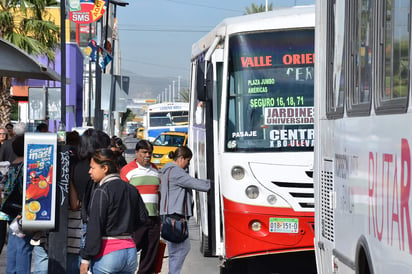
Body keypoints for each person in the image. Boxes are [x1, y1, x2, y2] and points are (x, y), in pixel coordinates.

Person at [80, 148, 147, 274]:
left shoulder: (101, 191)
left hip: (108, 252)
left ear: (105, 168)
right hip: (130, 252)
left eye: (93, 168)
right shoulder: (131, 189)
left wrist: (85, 259)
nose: (89, 172)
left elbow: (95, 226)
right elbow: (143, 218)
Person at [159, 146, 210, 274]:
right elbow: (195, 183)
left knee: (175, 250)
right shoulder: (176, 172)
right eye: (188, 160)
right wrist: (213, 184)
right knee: (181, 249)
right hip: (175, 216)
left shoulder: (169, 170)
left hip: (169, 215)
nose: (188, 164)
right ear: (181, 158)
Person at [120, 140, 160, 274]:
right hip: (135, 219)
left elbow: (158, 193)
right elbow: (122, 196)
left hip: (153, 219)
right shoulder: (127, 171)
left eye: (150, 153)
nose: (147, 155)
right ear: (137, 153)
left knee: (150, 255)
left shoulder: (155, 170)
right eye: (144, 152)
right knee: (130, 249)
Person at [4, 135, 34, 273]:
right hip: (23, 210)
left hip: (10, 209)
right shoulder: (27, 167)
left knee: (13, 244)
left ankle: (11, 271)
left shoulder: (12, 165)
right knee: (23, 246)